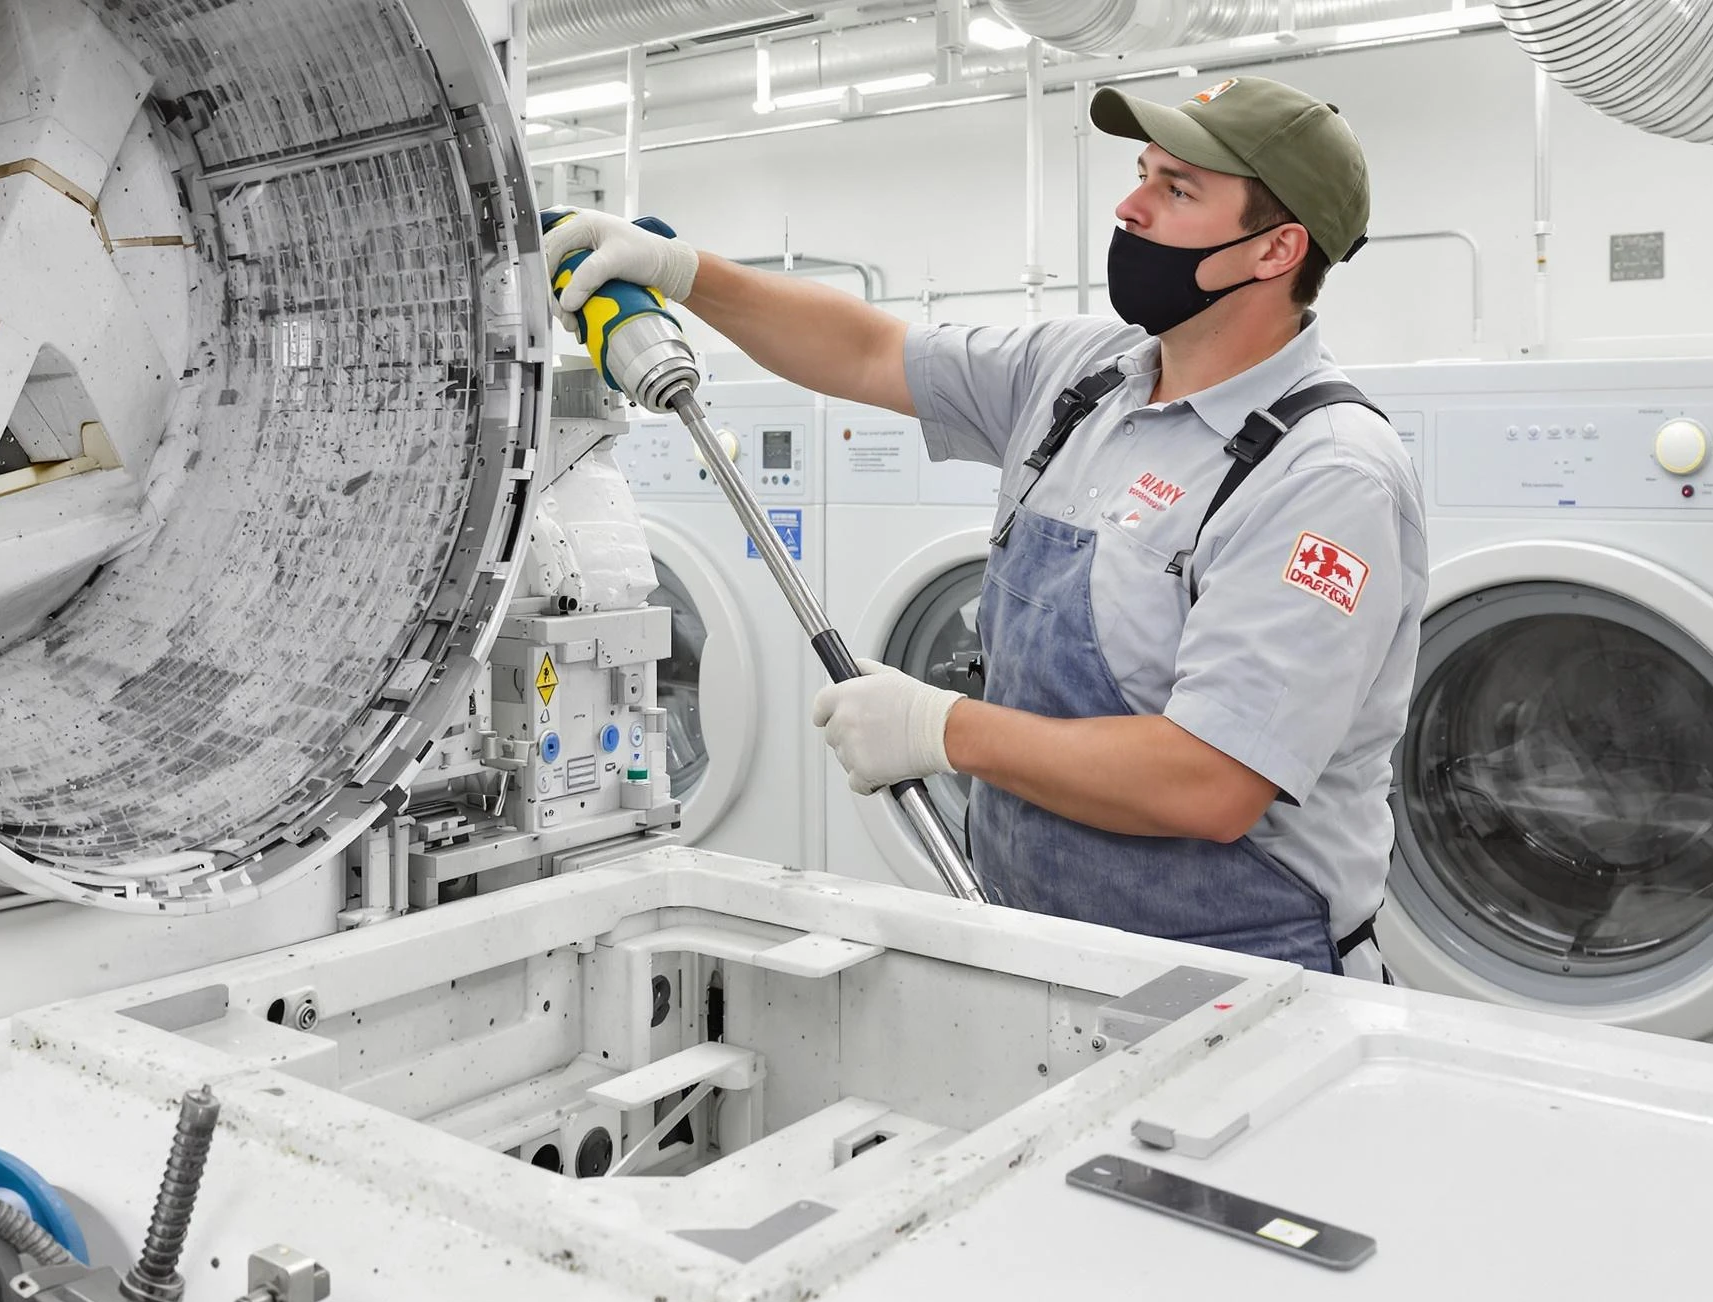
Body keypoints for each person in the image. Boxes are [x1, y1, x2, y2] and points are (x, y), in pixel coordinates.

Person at [542, 75, 1425, 978]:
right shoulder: (1085, 375)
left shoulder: (1324, 474)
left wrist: (942, 728)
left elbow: (1211, 782)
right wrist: (684, 274)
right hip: (1033, 935)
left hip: (1234, 975)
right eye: (1143, 173)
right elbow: (869, 350)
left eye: (1177, 190)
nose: (1130, 207)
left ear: (1276, 249)